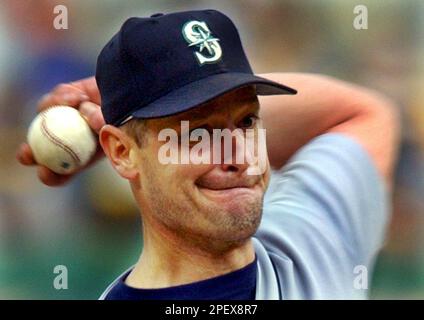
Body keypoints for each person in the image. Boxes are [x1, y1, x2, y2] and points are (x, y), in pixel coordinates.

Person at [17, 10, 400, 299]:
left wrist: (122, 114)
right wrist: (131, 125)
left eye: (248, 121)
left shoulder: (311, 237)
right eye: (197, 132)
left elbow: (365, 114)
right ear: (119, 152)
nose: (241, 156)